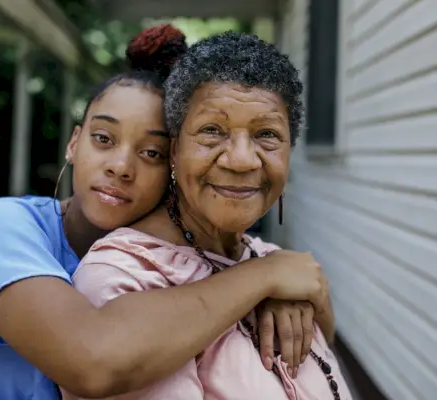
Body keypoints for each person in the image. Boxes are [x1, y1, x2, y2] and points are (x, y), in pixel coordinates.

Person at [0, 25, 334, 400]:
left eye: (150, 152)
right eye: (103, 138)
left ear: (174, 164)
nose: (121, 165)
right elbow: (91, 360)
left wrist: (280, 293)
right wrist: (265, 276)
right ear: (73, 143)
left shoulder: (182, 258)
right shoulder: (8, 227)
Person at [62, 31, 349, 400]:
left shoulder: (271, 262)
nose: (242, 159)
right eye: (212, 131)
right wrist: (266, 277)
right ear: (174, 150)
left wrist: (292, 286)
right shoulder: (123, 277)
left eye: (267, 134)